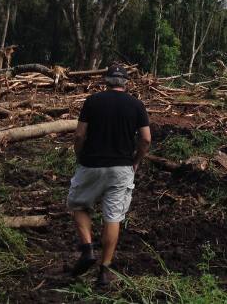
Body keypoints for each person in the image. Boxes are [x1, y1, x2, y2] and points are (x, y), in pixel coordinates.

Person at [66, 64, 151, 287]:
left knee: (78, 205)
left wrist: (79, 155)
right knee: (113, 217)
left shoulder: (93, 101)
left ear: (106, 81)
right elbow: (146, 139)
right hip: (122, 169)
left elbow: (79, 135)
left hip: (91, 164)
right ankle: (104, 271)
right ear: (126, 82)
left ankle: (87, 248)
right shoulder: (136, 105)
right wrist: (136, 160)